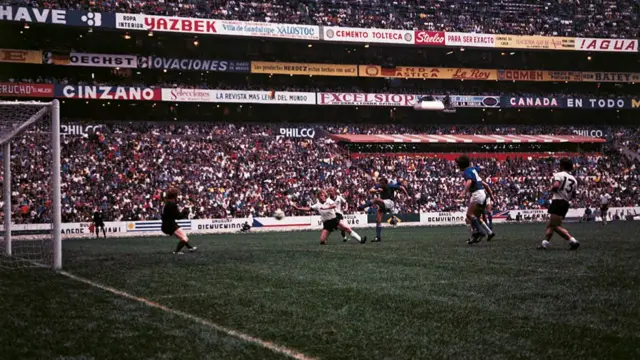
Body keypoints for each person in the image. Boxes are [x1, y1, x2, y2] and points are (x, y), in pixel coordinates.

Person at [293, 190, 366, 245]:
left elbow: (334, 205)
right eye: (319, 196)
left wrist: (326, 208)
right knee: (322, 241)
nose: (320, 197)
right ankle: (326, 239)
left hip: (334, 220)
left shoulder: (329, 201)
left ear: (325, 196)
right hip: (327, 223)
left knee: (347, 228)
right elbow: (309, 209)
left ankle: (360, 239)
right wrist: (298, 208)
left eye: (322, 195)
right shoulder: (317, 204)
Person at [538, 158, 580, 250]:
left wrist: (551, 189)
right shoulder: (574, 180)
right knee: (551, 224)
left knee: (555, 225)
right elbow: (573, 195)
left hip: (558, 201)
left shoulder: (559, 175)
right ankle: (544, 244)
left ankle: (572, 241)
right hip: (565, 203)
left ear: (562, 166)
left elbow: (556, 185)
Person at [455, 155, 495, 245]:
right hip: (482, 194)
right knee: (473, 218)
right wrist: (491, 196)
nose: (457, 166)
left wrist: (463, 192)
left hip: (477, 194)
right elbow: (479, 169)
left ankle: (480, 232)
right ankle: (478, 234)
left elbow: (469, 181)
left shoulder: (466, 172)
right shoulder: (473, 169)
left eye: (458, 165)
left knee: (469, 215)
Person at [357, 177, 408, 242]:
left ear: (385, 182)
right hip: (383, 204)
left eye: (381, 183)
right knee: (378, 220)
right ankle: (378, 238)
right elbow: (370, 190)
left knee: (375, 200)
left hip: (390, 203)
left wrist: (407, 196)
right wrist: (377, 191)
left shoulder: (390, 185)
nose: (380, 184)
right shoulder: (380, 186)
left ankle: (362, 207)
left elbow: (402, 188)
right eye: (380, 182)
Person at [162, 188, 197, 254]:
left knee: (183, 236)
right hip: (170, 225)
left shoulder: (166, 203)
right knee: (184, 238)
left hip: (167, 224)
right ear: (174, 196)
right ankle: (176, 252)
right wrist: (185, 211)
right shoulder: (172, 204)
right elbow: (179, 216)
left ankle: (190, 248)